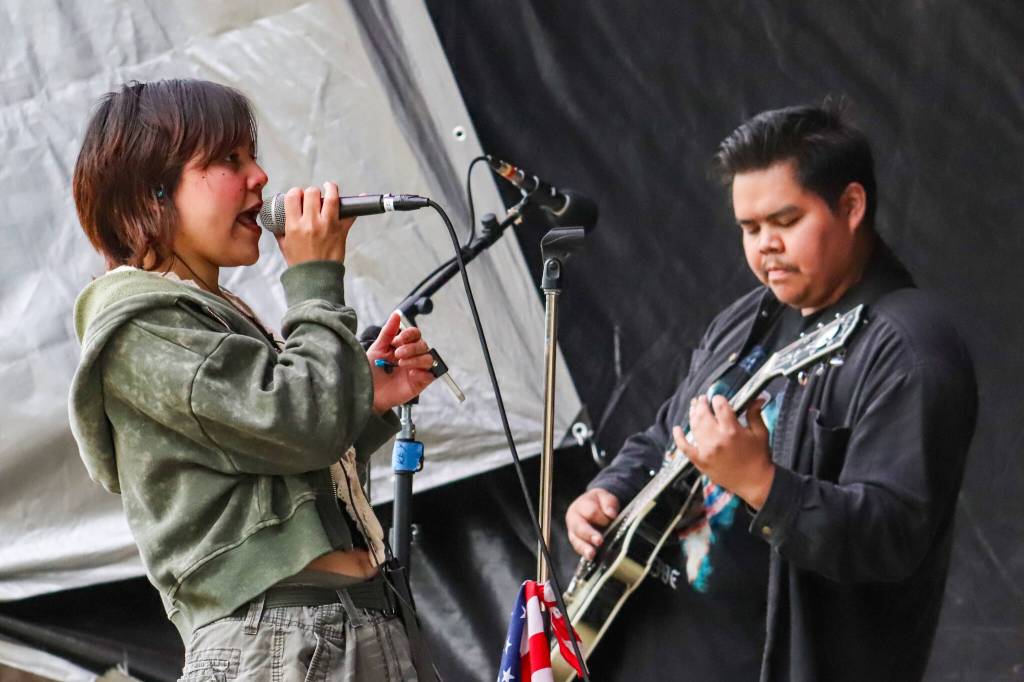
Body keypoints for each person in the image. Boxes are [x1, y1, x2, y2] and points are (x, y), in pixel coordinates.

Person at [565, 103, 976, 681]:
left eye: (785, 222)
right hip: (643, 646)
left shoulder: (910, 347)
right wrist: (608, 491)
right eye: (750, 228)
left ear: (852, 206)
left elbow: (892, 538)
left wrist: (761, 482)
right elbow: (667, 434)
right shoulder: (749, 316)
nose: (765, 247)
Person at [68, 79, 434, 680]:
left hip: (344, 624)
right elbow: (295, 425)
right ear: (152, 191)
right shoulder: (142, 324)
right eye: (229, 160)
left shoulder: (211, 313)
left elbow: (279, 457)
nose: (260, 177)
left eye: (253, 156)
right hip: (280, 642)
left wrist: (364, 396)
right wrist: (315, 280)